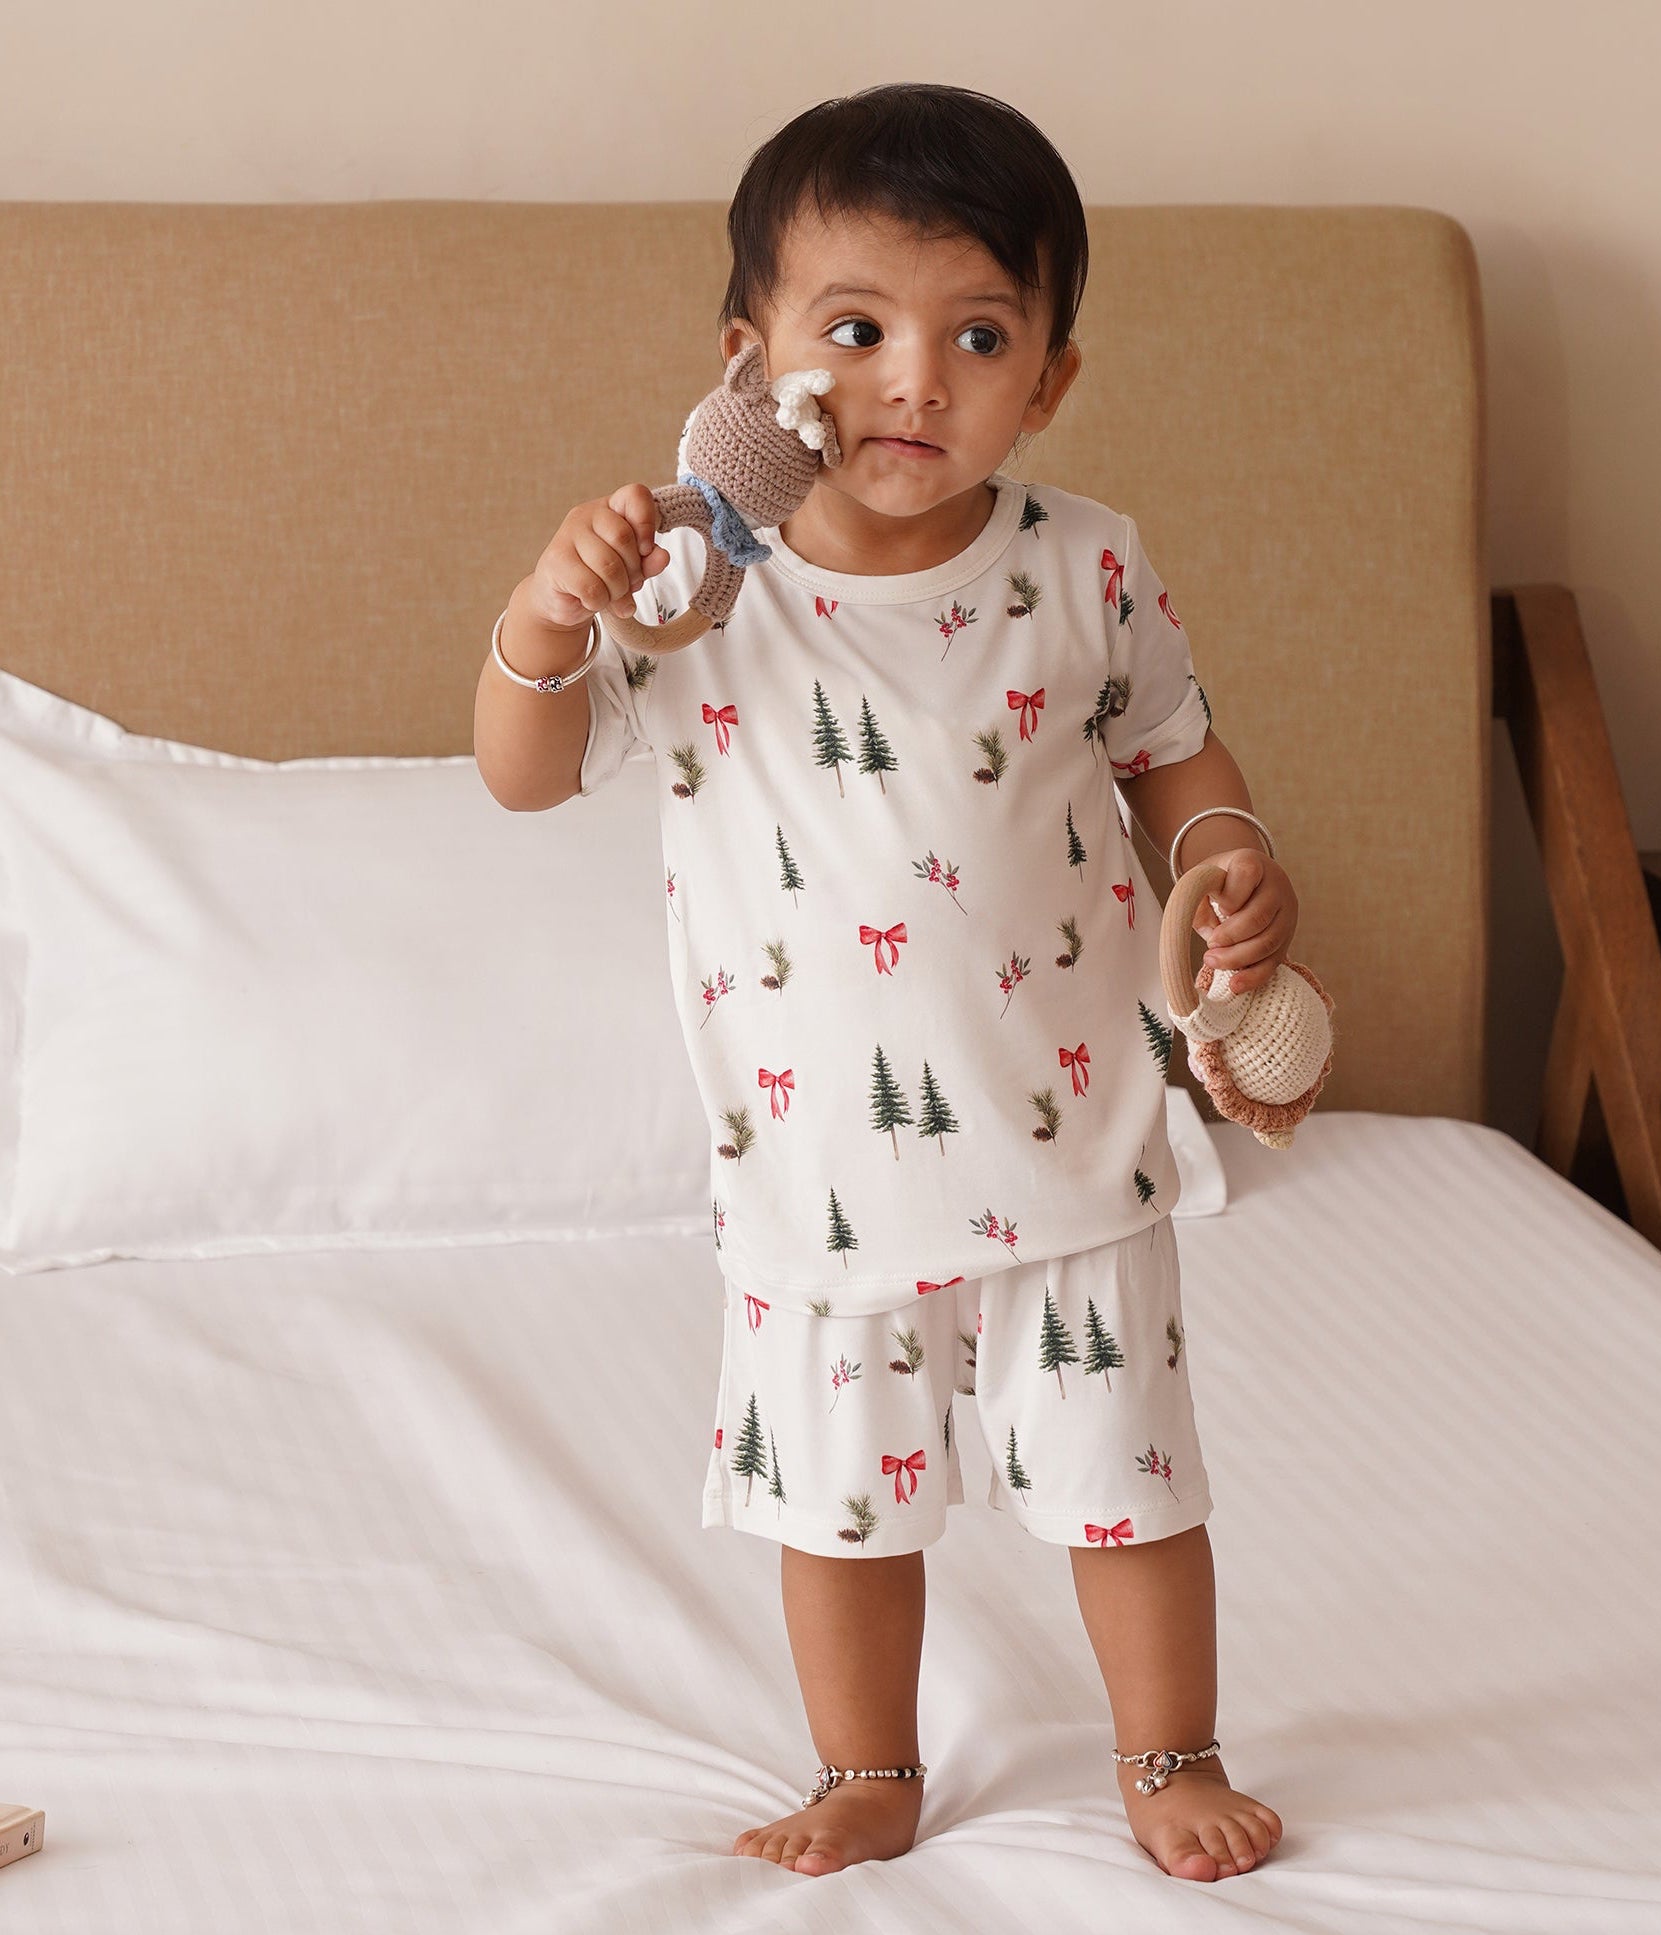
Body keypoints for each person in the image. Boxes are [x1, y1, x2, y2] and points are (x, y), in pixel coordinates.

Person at [473, 82, 1297, 1885]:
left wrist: (1233, 871)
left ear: (1049, 380)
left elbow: (1178, 763)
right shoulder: (695, 594)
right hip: (817, 1169)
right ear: (748, 358)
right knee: (841, 1508)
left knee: (1132, 1482)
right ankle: (870, 1772)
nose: (914, 383)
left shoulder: (1085, 565)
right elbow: (524, 774)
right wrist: (549, 617)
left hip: (1071, 1135)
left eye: (978, 335)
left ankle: (1169, 1748)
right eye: (855, 331)